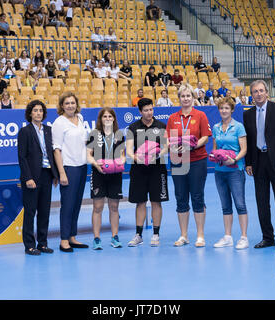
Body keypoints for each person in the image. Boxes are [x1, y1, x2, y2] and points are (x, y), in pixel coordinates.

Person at [242, 80, 275, 250]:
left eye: (261, 90)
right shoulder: (247, 114)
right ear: (252, 94)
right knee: (262, 201)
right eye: (255, 91)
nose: (258, 94)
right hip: (257, 161)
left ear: (267, 92)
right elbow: (248, 139)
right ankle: (267, 237)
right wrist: (248, 162)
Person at [166, 83, 212, 247]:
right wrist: (173, 146)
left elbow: (205, 137)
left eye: (188, 96)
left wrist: (191, 146)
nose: (185, 99)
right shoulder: (172, 118)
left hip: (197, 160)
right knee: (181, 197)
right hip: (178, 161)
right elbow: (168, 139)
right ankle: (183, 235)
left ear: (193, 98)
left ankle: (200, 235)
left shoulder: (200, 115)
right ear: (179, 99)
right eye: (183, 96)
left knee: (197, 196)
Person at [126, 98, 169, 247]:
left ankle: (156, 235)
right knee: (140, 202)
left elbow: (166, 147)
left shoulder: (161, 126)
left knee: (156, 201)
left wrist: (156, 155)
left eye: (151, 109)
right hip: (139, 169)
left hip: (157, 169)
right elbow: (129, 150)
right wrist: (137, 157)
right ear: (140, 112)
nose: (149, 112)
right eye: (146, 110)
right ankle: (138, 235)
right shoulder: (133, 127)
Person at [18, 100, 59, 256]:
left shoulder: (48, 130)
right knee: (30, 212)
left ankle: (42, 243)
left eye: (41, 111)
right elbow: (22, 157)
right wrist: (28, 177)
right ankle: (29, 245)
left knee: (44, 211)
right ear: (30, 113)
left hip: (47, 175)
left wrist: (55, 174)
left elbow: (52, 153)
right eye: (35, 110)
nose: (38, 113)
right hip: (32, 177)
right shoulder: (25, 131)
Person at [52, 92, 89, 252]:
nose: (70, 106)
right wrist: (61, 173)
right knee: (67, 205)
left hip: (82, 167)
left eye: (72, 103)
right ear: (62, 106)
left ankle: (72, 236)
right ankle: (64, 240)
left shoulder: (80, 118)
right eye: (66, 103)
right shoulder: (59, 123)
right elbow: (56, 150)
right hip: (68, 168)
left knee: (76, 204)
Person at [86, 107, 126, 250]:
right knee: (98, 207)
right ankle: (96, 238)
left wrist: (122, 161)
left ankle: (115, 237)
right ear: (100, 119)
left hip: (115, 175)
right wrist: (96, 165)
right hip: (98, 174)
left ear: (114, 119)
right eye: (105, 117)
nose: (108, 119)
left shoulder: (119, 134)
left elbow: (122, 154)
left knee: (114, 207)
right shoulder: (94, 134)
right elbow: (88, 154)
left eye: (110, 116)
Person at [212, 97, 249, 249]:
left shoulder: (239, 127)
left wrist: (233, 160)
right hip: (220, 171)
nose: (224, 111)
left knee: (240, 204)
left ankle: (244, 237)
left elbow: (244, 149)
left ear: (232, 110)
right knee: (225, 205)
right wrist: (216, 156)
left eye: (227, 108)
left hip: (235, 171)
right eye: (221, 108)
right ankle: (228, 237)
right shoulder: (216, 127)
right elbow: (214, 148)